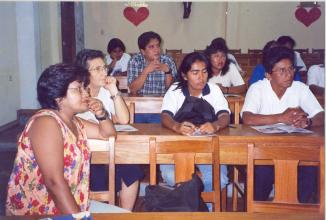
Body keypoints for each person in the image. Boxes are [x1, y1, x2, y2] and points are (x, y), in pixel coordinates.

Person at [6, 63, 116, 215]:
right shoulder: (46, 123)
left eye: (85, 87)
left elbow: (107, 134)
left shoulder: (74, 122)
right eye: (79, 89)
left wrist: (101, 113)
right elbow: (54, 183)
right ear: (58, 96)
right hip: (41, 211)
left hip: (72, 206)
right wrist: (78, 218)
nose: (86, 93)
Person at [241, 46, 324, 203]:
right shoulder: (258, 88)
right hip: (264, 153)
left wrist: (308, 122)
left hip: (295, 151)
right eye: (282, 70)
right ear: (268, 74)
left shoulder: (300, 88)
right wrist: (281, 117)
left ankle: (300, 212)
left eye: (291, 69)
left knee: (309, 169)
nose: (289, 75)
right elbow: (248, 118)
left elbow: (321, 115)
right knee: (261, 175)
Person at [160, 52, 230, 209]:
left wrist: (216, 125)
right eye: (195, 72)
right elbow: (165, 116)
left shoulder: (214, 90)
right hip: (177, 148)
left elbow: (225, 115)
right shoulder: (175, 90)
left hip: (208, 149)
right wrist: (176, 126)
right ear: (185, 75)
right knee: (172, 176)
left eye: (205, 71)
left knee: (220, 178)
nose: (201, 77)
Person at [75, 49, 143, 211]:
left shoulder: (105, 92)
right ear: (84, 73)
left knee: (132, 169)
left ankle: (125, 214)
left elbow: (124, 119)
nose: (104, 72)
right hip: (83, 152)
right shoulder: (76, 93)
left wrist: (114, 91)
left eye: (104, 68)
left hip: (106, 147)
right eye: (97, 69)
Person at [127, 31, 178, 123]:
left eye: (158, 46)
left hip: (162, 107)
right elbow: (133, 89)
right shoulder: (135, 61)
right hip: (139, 108)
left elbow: (172, 90)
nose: (156, 50)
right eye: (151, 47)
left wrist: (167, 71)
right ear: (143, 51)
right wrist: (146, 71)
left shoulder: (168, 60)